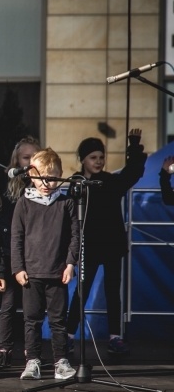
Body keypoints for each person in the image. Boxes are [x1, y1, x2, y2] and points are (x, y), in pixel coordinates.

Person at [65, 130, 146, 355]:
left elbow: (133, 173)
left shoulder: (110, 181)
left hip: (111, 244)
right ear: (83, 159)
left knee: (112, 291)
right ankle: (68, 335)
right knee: (82, 291)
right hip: (88, 246)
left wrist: (134, 147)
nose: (98, 161)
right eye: (93, 157)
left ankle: (114, 337)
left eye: (101, 157)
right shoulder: (77, 183)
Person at [12, 148, 79, 381]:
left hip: (57, 272)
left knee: (58, 320)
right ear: (31, 176)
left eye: (52, 178)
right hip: (31, 273)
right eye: (40, 178)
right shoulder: (24, 203)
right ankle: (33, 361)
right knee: (32, 320)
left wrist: (70, 263)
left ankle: (61, 361)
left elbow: (75, 236)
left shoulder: (66, 202)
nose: (46, 183)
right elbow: (16, 238)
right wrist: (18, 268)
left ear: (60, 176)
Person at [0, 137, 42, 369]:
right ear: (16, 160)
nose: (30, 162)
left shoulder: (45, 188)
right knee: (8, 305)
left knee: (34, 308)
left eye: (34, 158)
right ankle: (4, 349)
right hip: (12, 254)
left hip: (37, 256)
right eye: (25, 158)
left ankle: (33, 352)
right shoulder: (9, 187)